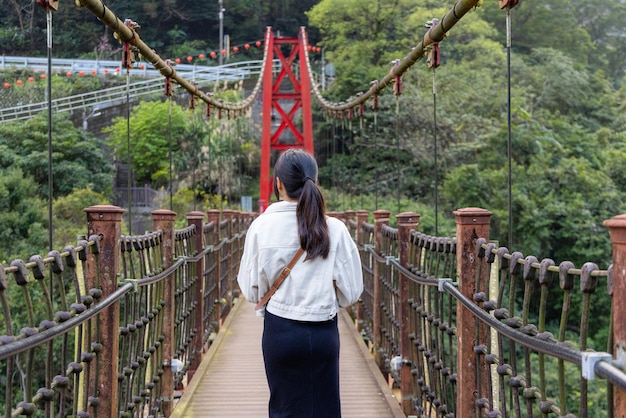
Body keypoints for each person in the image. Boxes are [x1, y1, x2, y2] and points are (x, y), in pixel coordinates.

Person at [237, 148, 364, 418]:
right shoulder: (336, 229)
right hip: (323, 335)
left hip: (280, 332)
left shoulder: (261, 227)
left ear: (278, 184)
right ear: (314, 182)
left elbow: (250, 289)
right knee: (325, 410)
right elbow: (351, 292)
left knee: (284, 410)